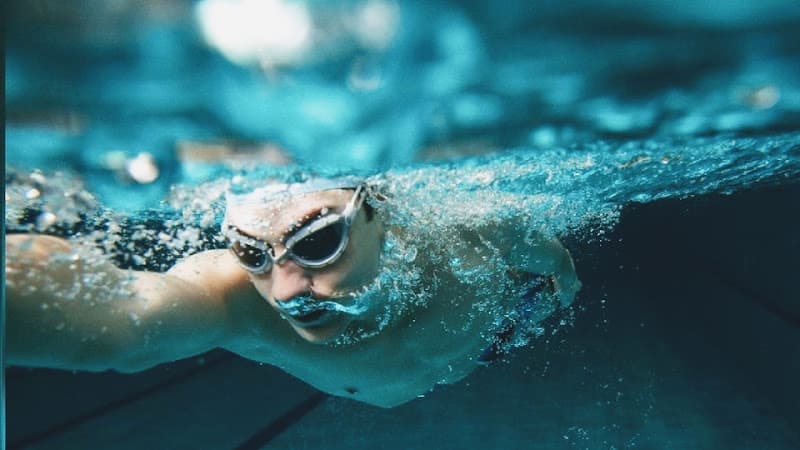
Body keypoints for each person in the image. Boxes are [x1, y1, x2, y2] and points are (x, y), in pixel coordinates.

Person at [5, 176, 581, 408]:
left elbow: (553, 260)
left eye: (318, 240)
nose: (282, 290)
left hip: (496, 336)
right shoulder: (235, 300)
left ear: (385, 211)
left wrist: (566, 284)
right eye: (252, 253)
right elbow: (125, 323)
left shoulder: (477, 228)